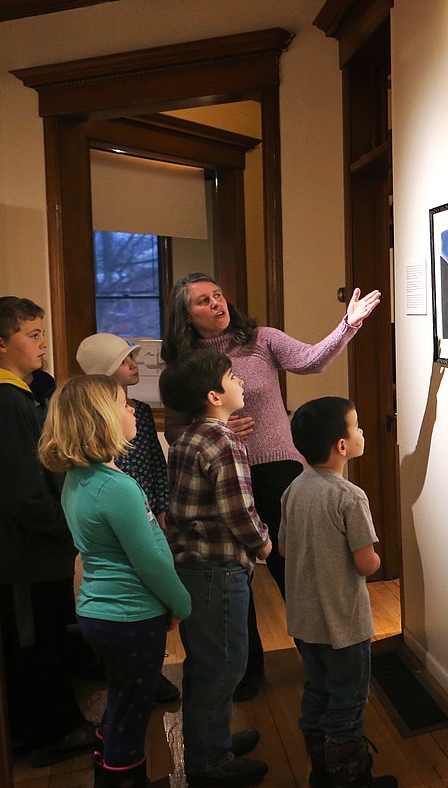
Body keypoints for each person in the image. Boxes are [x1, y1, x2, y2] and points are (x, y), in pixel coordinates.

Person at [160, 271, 380, 701]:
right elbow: (177, 430)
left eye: (218, 294)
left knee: (294, 569)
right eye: (203, 301)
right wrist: (217, 427)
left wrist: (348, 323)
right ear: (186, 317)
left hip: (279, 470)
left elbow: (312, 360)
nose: (216, 304)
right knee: (235, 576)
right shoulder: (185, 364)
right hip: (224, 476)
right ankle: (246, 672)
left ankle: (319, 656)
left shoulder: (260, 339)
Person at [37, 375, 197, 788]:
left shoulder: (79, 479)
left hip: (98, 610)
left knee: (121, 698)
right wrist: (181, 603)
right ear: (101, 420)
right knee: (133, 709)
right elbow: (149, 560)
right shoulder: (119, 488)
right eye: (124, 406)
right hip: (131, 615)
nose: (133, 412)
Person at [0, 296, 94, 767]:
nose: (44, 344)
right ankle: (48, 732)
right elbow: (19, 490)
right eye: (32, 335)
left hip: (37, 549)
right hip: (25, 553)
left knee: (48, 634)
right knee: (34, 642)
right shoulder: (4, 402)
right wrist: (64, 530)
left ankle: (54, 723)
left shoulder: (16, 395)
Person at [159, 348, 272, 788]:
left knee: (205, 662)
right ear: (213, 395)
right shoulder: (225, 441)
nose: (241, 381)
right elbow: (238, 510)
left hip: (192, 567)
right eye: (232, 377)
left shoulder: (186, 438)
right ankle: (208, 759)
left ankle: (211, 737)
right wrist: (263, 542)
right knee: (224, 665)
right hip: (219, 569)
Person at [280, 396, 398, 788]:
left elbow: (283, 546)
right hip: (345, 623)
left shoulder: (294, 488)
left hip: (305, 620)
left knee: (317, 690)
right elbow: (366, 561)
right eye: (357, 425)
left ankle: (321, 768)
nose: (363, 431)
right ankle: (350, 785)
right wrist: (380, 561)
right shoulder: (350, 497)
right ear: (342, 446)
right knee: (348, 701)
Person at [76, 332, 180, 704]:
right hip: (124, 509)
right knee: (137, 575)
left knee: (151, 583)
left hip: (148, 505)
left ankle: (150, 666)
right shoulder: (101, 421)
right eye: (125, 361)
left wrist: (163, 503)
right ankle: (142, 673)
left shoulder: (140, 412)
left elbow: (154, 460)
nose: (135, 365)